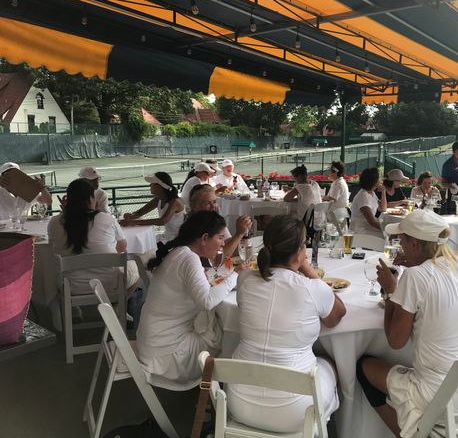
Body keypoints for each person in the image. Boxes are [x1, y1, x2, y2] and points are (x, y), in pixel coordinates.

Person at [356, 210, 458, 438]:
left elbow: (395, 341)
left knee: (363, 367)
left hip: (445, 397)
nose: (399, 245)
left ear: (414, 244)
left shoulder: (416, 277)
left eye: (402, 240)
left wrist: (391, 290)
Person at [226, 215, 346, 433]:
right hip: (295, 410)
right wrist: (307, 269)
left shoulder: (244, 280)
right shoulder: (312, 288)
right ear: (300, 251)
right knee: (329, 360)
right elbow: (337, 315)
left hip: (238, 401)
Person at [136, 211, 237, 390]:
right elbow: (206, 301)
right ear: (205, 238)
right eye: (220, 238)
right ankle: (218, 396)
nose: (223, 243)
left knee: (212, 323)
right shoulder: (189, 258)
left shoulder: (179, 251)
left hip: (153, 342)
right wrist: (235, 276)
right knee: (223, 334)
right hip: (166, 355)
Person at [47, 179, 140, 295]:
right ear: (91, 199)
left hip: (70, 286)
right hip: (109, 283)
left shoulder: (54, 222)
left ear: (68, 200)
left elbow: (53, 249)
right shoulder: (106, 219)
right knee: (138, 269)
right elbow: (122, 245)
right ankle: (116, 307)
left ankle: (75, 312)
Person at [189, 184, 252, 257]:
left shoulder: (216, 221)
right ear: (194, 206)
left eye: (214, 202)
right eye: (207, 203)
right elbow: (217, 258)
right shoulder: (191, 228)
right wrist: (239, 234)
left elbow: (233, 250)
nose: (213, 207)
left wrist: (244, 234)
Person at [350, 167, 385, 238]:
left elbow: (383, 208)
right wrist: (387, 229)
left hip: (368, 228)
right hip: (360, 231)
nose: (381, 179)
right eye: (379, 178)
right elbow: (372, 222)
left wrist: (383, 192)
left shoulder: (371, 193)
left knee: (391, 235)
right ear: (374, 181)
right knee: (389, 236)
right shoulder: (363, 196)